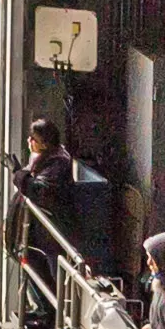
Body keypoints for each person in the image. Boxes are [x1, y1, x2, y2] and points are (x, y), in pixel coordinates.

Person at [15, 120, 125, 284]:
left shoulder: (57, 163)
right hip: (46, 230)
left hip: (55, 228)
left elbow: (41, 191)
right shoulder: (45, 158)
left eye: (33, 139)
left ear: (44, 144)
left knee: (54, 271)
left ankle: (52, 306)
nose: (29, 142)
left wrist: (19, 174)